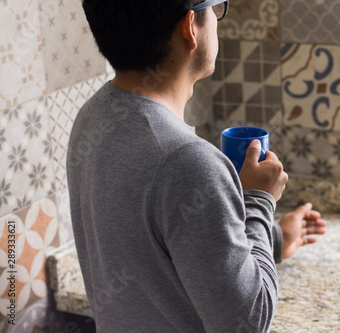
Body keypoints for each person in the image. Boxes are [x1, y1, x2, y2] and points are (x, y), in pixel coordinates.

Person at [67, 0, 325, 332]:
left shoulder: (93, 118)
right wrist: (258, 201)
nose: (217, 21)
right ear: (191, 28)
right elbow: (249, 322)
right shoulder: (188, 162)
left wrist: (272, 239)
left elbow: (155, 247)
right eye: (216, 9)